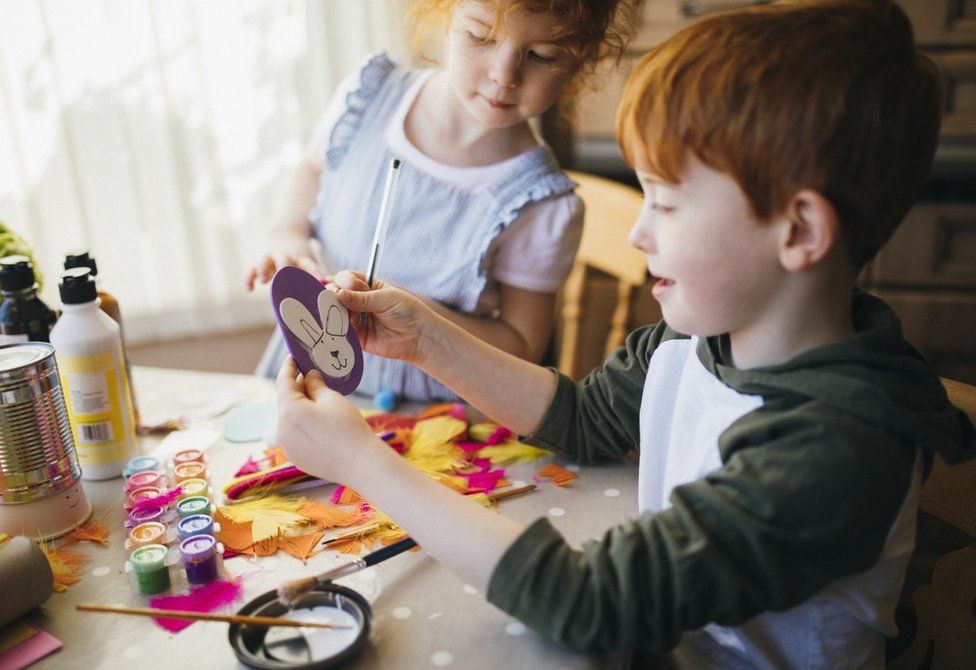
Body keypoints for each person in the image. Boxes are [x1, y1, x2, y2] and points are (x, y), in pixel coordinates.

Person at [274, 1, 976, 667]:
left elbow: (593, 603)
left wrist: (365, 465)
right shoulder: (702, 342)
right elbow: (585, 417)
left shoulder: (836, 445)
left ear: (798, 232)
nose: (639, 231)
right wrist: (425, 337)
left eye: (666, 203)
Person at [247, 0, 641, 402]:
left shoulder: (539, 205)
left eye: (542, 55)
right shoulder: (369, 97)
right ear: (444, 15)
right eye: (481, 36)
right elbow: (313, 168)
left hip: (428, 416)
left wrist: (421, 320)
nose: (504, 75)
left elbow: (522, 347)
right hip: (306, 376)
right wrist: (288, 233)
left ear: (581, 60)